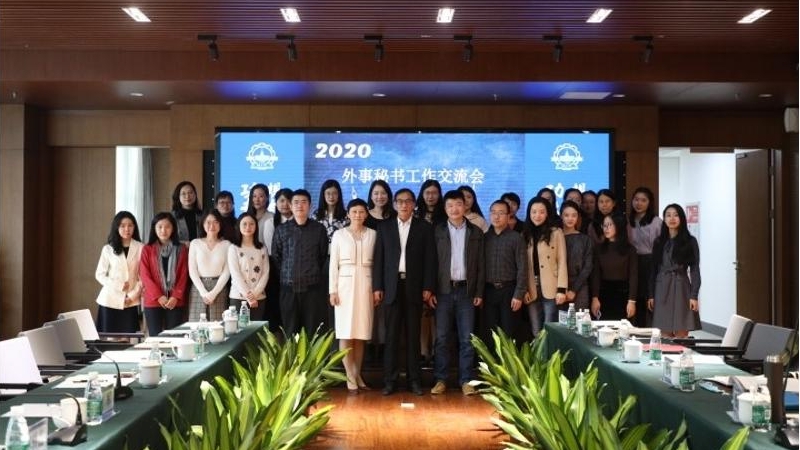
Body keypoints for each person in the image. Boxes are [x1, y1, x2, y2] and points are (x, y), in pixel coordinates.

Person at [373, 188, 436, 396]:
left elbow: (430, 260)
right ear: (394, 204)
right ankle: (389, 381)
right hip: (391, 287)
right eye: (400, 201)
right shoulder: (384, 227)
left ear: (414, 205)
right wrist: (377, 287)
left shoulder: (424, 228)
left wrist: (428, 287)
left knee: (413, 336)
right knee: (391, 337)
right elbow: (379, 260)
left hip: (414, 288)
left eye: (408, 201)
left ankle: (414, 381)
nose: (404, 205)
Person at [429, 190, 485, 396]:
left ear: (465, 206)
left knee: (467, 339)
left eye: (458, 204)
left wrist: (479, 291)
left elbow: (481, 265)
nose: (455, 209)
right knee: (442, 338)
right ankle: (440, 379)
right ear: (445, 209)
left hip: (466, 292)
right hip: (443, 291)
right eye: (450, 205)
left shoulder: (475, 232)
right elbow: (431, 263)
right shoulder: (437, 231)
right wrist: (431, 290)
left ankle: (466, 380)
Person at [329, 199, 377, 393]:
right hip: (344, 287)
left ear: (366, 214)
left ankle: (357, 374)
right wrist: (332, 290)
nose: (358, 215)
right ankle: (349, 375)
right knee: (345, 332)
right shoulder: (339, 235)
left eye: (361, 212)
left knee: (360, 333)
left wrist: (377, 289)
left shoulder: (373, 234)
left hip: (366, 285)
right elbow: (333, 264)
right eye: (354, 212)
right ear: (348, 214)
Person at [272, 189, 328, 336]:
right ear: (290, 206)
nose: (299, 206)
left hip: (313, 291)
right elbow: (277, 258)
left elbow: (323, 257)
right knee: (290, 333)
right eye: (296, 202)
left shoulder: (319, 229)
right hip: (288, 290)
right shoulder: (281, 230)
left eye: (304, 202)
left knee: (313, 333)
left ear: (310, 205)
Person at [648, 204, 701, 338]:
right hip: (661, 288)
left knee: (682, 331)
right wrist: (651, 294)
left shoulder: (690, 241)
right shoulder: (658, 241)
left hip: (682, 286)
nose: (672, 218)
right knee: (664, 333)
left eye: (676, 215)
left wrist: (694, 295)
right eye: (668, 215)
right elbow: (653, 269)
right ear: (664, 219)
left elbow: (695, 270)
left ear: (682, 218)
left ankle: (682, 351)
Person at [482, 200, 526, 343]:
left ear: (508, 216)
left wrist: (519, 294)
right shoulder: (484, 238)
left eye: (501, 213)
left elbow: (522, 268)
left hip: (509, 291)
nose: (496, 216)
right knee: (490, 333)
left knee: (509, 332)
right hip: (488, 291)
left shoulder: (516, 238)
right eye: (493, 213)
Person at [522, 196, 568, 336]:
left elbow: (562, 261)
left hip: (551, 286)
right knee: (536, 330)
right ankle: (538, 351)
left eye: (542, 212)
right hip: (531, 287)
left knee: (549, 329)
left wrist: (562, 289)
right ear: (529, 213)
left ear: (547, 213)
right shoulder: (524, 234)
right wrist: (523, 289)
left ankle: (548, 352)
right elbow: (521, 266)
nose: (537, 215)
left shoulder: (556, 232)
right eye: (534, 212)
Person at [140, 212, 189, 335]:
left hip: (175, 301)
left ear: (173, 228)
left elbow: (184, 275)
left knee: (174, 336)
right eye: (160, 227)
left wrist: (175, 296)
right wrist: (158, 296)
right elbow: (145, 275)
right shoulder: (147, 249)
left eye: (167, 227)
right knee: (155, 337)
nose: (163, 230)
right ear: (154, 228)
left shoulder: (182, 248)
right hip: (153, 300)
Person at [94, 211, 144, 333]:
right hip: (109, 299)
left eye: (130, 225)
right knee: (109, 338)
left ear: (134, 227)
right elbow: (100, 274)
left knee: (128, 338)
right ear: (116, 227)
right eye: (122, 226)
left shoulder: (141, 247)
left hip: (130, 301)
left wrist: (132, 296)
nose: (127, 229)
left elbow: (143, 277)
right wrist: (119, 285)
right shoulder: (108, 249)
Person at [415, 179, 445, 366]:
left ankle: (435, 351)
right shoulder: (415, 214)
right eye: (427, 193)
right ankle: (422, 350)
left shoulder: (445, 215)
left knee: (436, 313)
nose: (430, 196)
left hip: (441, 268)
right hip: (419, 268)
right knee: (421, 313)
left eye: (434, 193)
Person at [590, 214, 638, 321]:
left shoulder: (630, 249)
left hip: (624, 295)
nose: (606, 228)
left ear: (619, 225)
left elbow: (633, 276)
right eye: (604, 225)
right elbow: (596, 275)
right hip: (603, 294)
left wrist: (632, 301)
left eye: (610, 225)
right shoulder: (598, 248)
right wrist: (595, 297)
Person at [188, 209, 231, 321]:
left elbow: (227, 272)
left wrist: (214, 293)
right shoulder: (195, 243)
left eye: (216, 222)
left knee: (218, 324)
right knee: (196, 325)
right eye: (208, 222)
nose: (212, 226)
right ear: (203, 224)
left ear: (220, 224)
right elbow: (192, 270)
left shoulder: (226, 244)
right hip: (198, 287)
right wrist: (203, 292)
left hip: (219, 288)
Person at [628, 187, 662, 327]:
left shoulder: (656, 221)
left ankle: (649, 331)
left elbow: (661, 247)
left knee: (649, 299)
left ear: (649, 203)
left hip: (650, 262)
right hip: (632, 263)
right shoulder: (628, 221)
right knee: (635, 299)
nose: (639, 203)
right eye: (636, 199)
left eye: (643, 200)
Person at [228, 212, 269, 319]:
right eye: (244, 224)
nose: (248, 227)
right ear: (239, 226)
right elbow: (235, 274)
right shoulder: (233, 248)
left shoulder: (262, 248)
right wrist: (248, 296)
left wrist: (254, 294)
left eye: (251, 224)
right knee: (238, 329)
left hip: (259, 297)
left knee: (257, 329)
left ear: (256, 226)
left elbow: (265, 273)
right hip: (238, 297)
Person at [560, 200, 593, 311]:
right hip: (558, 286)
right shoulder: (555, 237)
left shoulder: (585, 239)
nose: (570, 218)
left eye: (574, 215)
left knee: (580, 319)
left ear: (578, 217)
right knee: (560, 320)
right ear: (561, 216)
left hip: (580, 286)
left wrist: (574, 289)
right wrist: (561, 289)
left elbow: (588, 267)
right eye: (566, 215)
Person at [246, 183, 275, 256]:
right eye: (254, 196)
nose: (257, 199)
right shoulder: (245, 218)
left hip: (267, 257)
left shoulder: (272, 217)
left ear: (267, 198)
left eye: (261, 196)